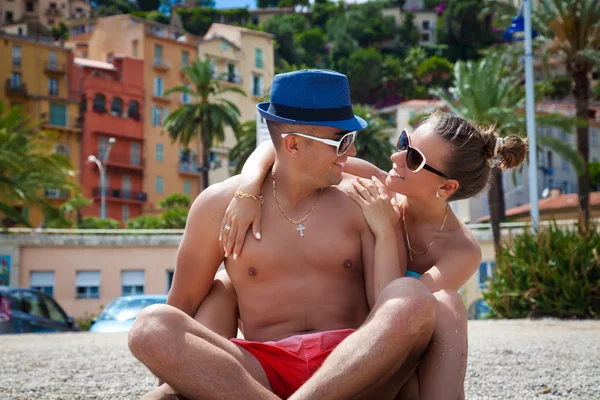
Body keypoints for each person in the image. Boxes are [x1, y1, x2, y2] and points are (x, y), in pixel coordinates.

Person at [128, 69, 438, 400]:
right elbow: (183, 305)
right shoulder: (219, 206)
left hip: (351, 367)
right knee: (151, 326)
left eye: (353, 140)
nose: (350, 152)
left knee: (412, 297)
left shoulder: (363, 198)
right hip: (259, 371)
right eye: (342, 140)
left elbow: (384, 310)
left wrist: (387, 229)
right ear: (292, 145)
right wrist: (179, 375)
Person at [219, 110, 528, 399]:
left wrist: (384, 230)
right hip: (354, 352)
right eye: (404, 141)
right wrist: (247, 188)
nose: (396, 157)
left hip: (404, 361)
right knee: (222, 282)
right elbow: (280, 148)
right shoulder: (377, 184)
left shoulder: (462, 249)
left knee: (448, 304)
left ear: (446, 187)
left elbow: (395, 313)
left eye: (414, 158)